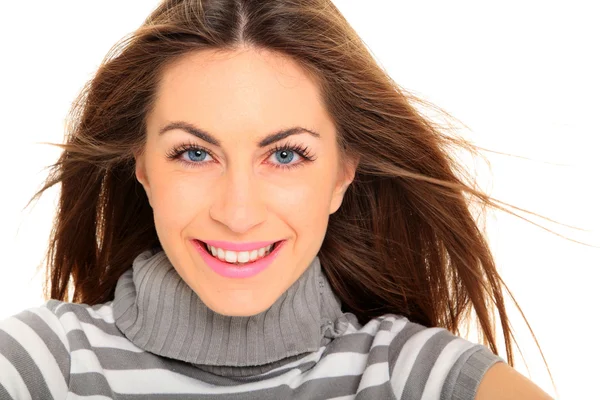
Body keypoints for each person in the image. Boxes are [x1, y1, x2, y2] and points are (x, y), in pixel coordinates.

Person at [0, 0, 555, 399]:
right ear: (141, 167)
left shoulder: (422, 380)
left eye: (285, 156)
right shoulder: (41, 365)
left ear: (342, 174)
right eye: (194, 153)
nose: (238, 214)